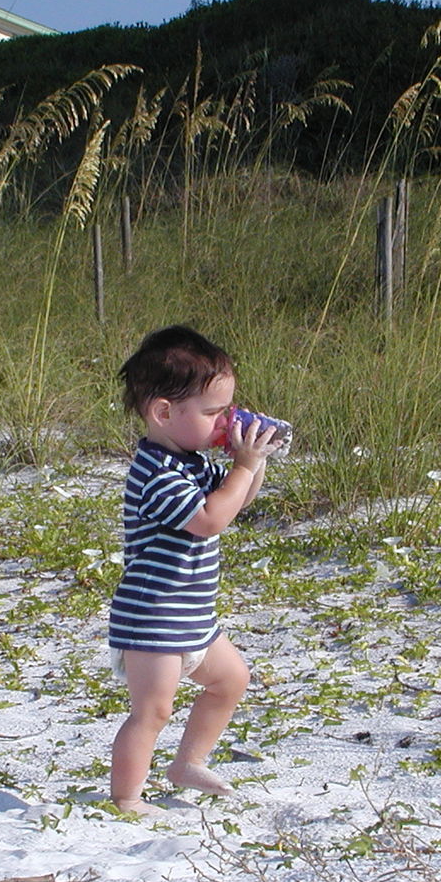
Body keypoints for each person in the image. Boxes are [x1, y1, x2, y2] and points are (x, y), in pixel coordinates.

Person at [108, 325, 283, 816]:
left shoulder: (192, 461)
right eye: (212, 413)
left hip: (191, 615)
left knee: (231, 680)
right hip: (153, 618)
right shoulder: (156, 473)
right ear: (163, 412)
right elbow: (208, 521)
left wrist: (254, 461)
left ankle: (188, 763)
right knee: (152, 711)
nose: (223, 421)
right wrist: (242, 468)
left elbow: (235, 503)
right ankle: (126, 798)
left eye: (226, 410)